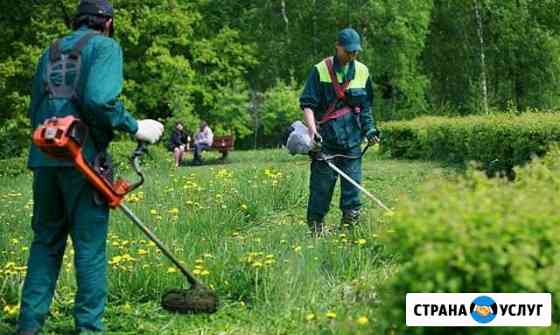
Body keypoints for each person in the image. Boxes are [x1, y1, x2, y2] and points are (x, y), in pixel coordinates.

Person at [17, 1, 164, 334]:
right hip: (83, 159)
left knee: (45, 242)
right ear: (108, 22)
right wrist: (134, 125)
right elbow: (99, 100)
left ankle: (28, 326)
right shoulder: (105, 46)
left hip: (44, 155)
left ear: (76, 21)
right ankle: (89, 329)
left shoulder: (50, 51)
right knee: (89, 247)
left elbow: (35, 109)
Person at [299, 27, 380, 236]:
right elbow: (307, 104)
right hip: (325, 140)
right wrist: (312, 132)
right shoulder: (320, 70)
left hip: (352, 140)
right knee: (321, 188)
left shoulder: (362, 71)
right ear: (338, 47)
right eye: (348, 51)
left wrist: (370, 130)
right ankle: (316, 228)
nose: (352, 55)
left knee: (352, 189)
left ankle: (349, 231)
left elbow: (365, 107)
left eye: (355, 51)